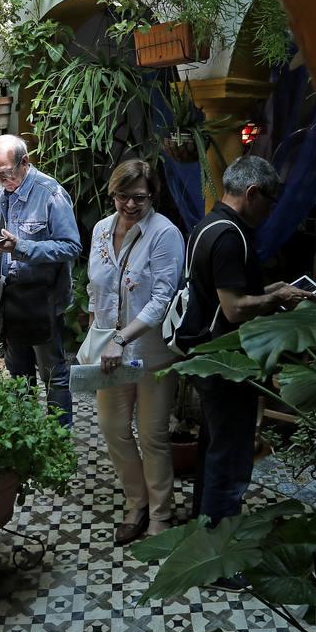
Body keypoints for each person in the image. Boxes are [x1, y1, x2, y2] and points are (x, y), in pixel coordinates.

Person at [174, 155, 312, 584]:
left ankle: (203, 536)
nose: (270, 211)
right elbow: (234, 310)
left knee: (214, 449)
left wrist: (270, 289)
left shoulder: (207, 225)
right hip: (225, 363)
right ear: (252, 193)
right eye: (268, 202)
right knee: (231, 457)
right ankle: (221, 562)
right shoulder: (233, 237)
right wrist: (274, 300)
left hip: (205, 354)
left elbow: (222, 293)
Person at [88, 159, 185, 545]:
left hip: (151, 352)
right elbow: (97, 285)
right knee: (113, 430)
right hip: (109, 353)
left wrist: (122, 338)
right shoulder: (100, 229)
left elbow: (162, 299)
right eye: (123, 196)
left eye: (139, 197)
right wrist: (97, 328)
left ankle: (160, 513)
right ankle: (136, 503)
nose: (130, 205)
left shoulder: (165, 234)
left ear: (153, 195)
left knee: (152, 435)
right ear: (113, 194)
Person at [0, 134, 82, 426]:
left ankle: (59, 446)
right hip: (13, 301)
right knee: (19, 376)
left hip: (44, 301)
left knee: (54, 376)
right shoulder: (3, 194)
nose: (0, 180)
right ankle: (27, 442)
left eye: (5, 173)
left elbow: (71, 246)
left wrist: (22, 247)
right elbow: (1, 240)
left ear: (24, 162)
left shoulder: (51, 194)